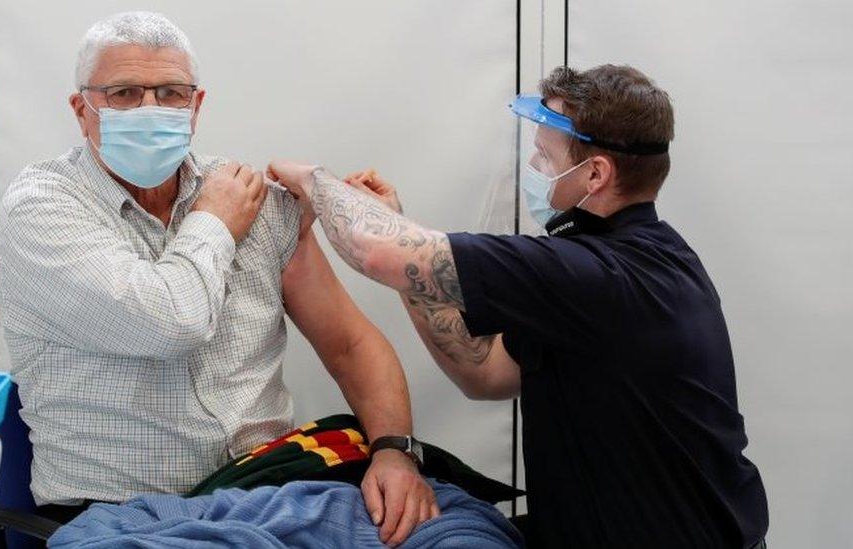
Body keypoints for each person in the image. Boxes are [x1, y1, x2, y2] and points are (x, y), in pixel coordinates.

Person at [268, 64, 768, 548]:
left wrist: (311, 179)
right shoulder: (648, 259)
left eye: (546, 159)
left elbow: (376, 249)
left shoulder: (596, 274)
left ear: (595, 174)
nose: (534, 169)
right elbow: (483, 371)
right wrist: (403, 247)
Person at [0, 12, 435, 545]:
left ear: (196, 106)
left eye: (171, 93)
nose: (150, 109)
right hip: (123, 514)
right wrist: (215, 222)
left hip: (272, 491)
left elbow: (349, 343)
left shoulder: (253, 199)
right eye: (125, 93)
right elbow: (168, 323)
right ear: (81, 110)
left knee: (461, 534)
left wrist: (395, 452)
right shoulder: (43, 207)